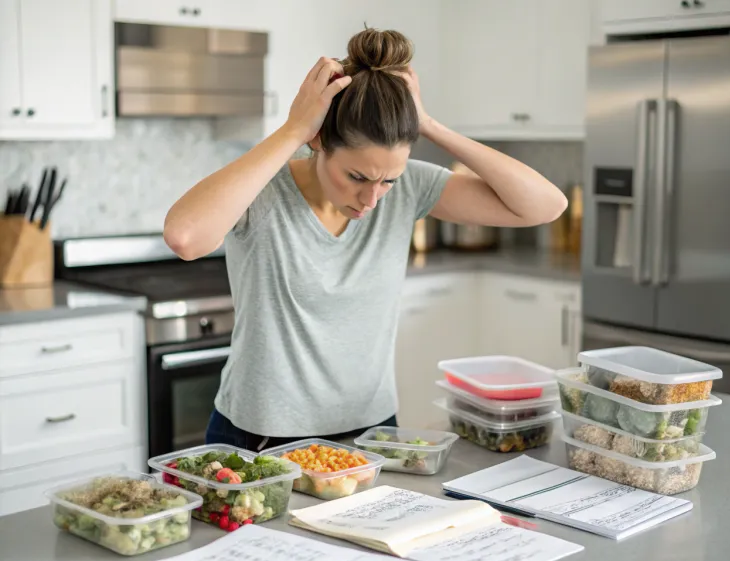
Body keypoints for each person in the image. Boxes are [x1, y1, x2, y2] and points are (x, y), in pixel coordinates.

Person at [163, 27, 567, 452]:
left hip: (371, 435)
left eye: (388, 180)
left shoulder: (410, 189)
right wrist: (292, 131)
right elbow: (185, 237)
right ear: (318, 142)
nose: (372, 198)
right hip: (261, 438)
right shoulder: (263, 190)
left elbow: (545, 206)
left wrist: (428, 125)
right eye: (356, 176)